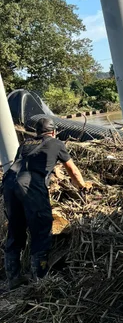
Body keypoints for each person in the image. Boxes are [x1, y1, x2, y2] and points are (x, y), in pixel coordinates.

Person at [2, 117, 90, 288]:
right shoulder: (56, 143)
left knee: (15, 228)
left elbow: (19, 164)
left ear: (37, 133)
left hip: (9, 184)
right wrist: (82, 186)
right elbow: (72, 170)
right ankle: (39, 280)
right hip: (30, 185)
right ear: (54, 131)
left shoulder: (24, 145)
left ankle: (13, 278)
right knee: (41, 228)